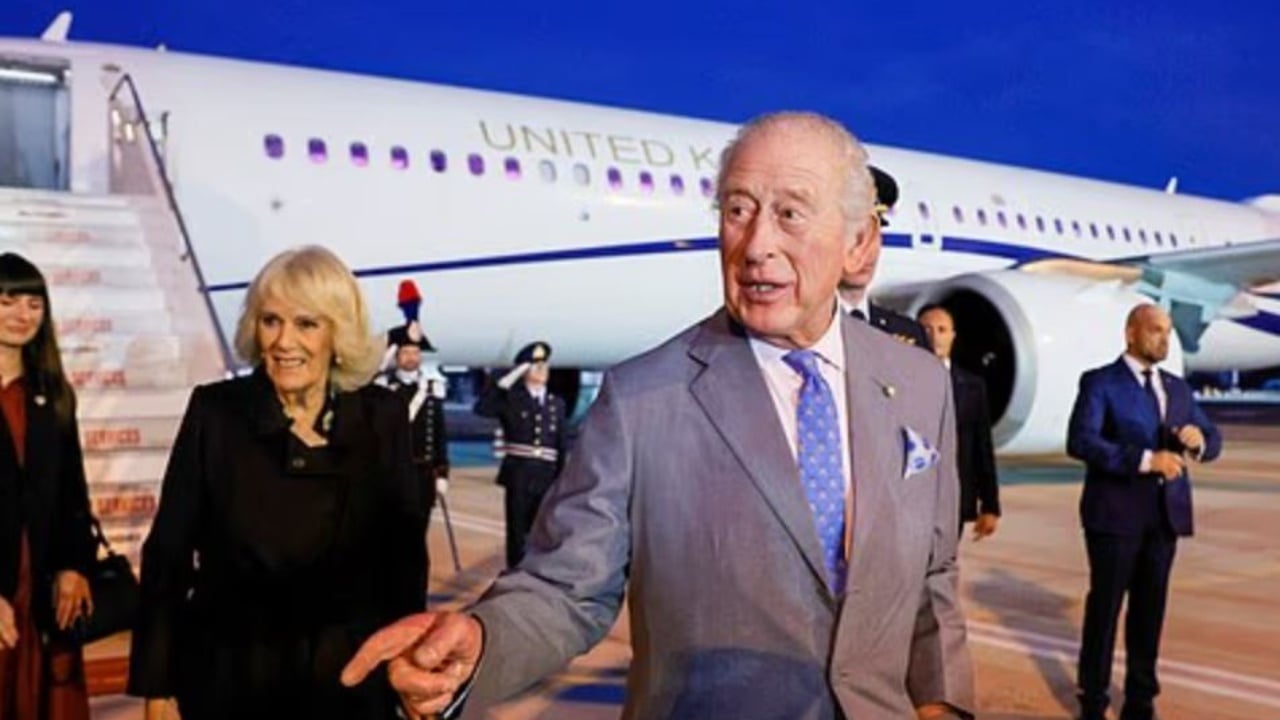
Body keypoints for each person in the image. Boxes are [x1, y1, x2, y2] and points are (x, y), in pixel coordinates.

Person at [343, 112, 974, 719]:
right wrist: (483, 642)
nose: (756, 245)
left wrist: (941, 702)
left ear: (859, 243)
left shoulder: (919, 383)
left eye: (789, 214)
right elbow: (566, 588)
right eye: (737, 211)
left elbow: (933, 574)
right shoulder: (642, 399)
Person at [127, 246, 427, 720]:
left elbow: (404, 557)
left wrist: (410, 662)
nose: (285, 342)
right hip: (234, 677)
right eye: (271, 321)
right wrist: (158, 684)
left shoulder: (382, 417)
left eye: (306, 324)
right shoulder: (216, 413)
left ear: (338, 333)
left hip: (350, 679)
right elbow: (169, 553)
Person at [1067, 303, 1221, 720]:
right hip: (1115, 516)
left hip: (1164, 518)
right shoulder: (1101, 382)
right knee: (1105, 612)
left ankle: (1140, 699)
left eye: (1167, 331)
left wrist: (1200, 442)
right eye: (1155, 330)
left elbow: (1212, 437)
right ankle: (1093, 699)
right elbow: (1081, 441)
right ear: (1131, 333)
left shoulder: (1178, 388)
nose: (1163, 339)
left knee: (1149, 614)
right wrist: (1146, 461)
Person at [0, 253, 97, 720]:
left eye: (34, 304)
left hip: (38, 582)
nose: (23, 314)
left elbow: (71, 490)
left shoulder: (53, 392)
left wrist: (73, 565)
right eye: (8, 301)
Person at [472, 341, 566, 568]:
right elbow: (483, 408)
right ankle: (515, 573)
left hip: (547, 475)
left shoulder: (556, 403)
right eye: (535, 365)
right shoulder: (512, 399)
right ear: (523, 369)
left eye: (544, 365)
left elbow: (560, 445)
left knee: (543, 530)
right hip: (519, 475)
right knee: (517, 532)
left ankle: (538, 573)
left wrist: (562, 480)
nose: (541, 369)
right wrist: (509, 379)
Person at [917, 303, 1000, 539]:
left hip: (954, 497)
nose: (934, 336)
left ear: (952, 336)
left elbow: (981, 446)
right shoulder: (900, 379)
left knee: (946, 560)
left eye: (942, 330)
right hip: (912, 496)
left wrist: (990, 505)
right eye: (926, 329)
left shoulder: (971, 386)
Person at [837, 165, 932, 350]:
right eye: (854, 234)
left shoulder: (909, 334)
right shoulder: (795, 329)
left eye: (875, 231)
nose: (865, 246)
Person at [375, 327, 449, 528]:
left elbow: (439, 434)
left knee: (419, 528)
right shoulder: (382, 386)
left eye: (415, 353)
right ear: (396, 356)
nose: (411, 358)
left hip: (423, 473)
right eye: (405, 352)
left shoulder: (432, 388)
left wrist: (442, 473)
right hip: (391, 473)